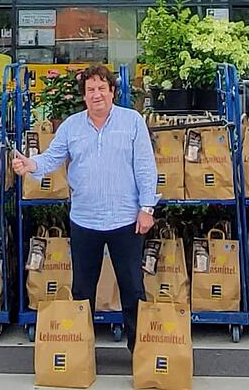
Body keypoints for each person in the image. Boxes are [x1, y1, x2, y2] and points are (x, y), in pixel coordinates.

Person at [12, 64, 158, 352]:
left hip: (126, 220)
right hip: (84, 221)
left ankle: (140, 352)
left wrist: (147, 208)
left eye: (102, 88)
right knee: (82, 291)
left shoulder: (132, 122)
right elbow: (53, 157)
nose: (96, 95)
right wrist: (31, 165)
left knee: (133, 290)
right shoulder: (71, 126)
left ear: (112, 91)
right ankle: (80, 351)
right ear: (84, 95)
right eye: (90, 90)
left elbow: (145, 167)